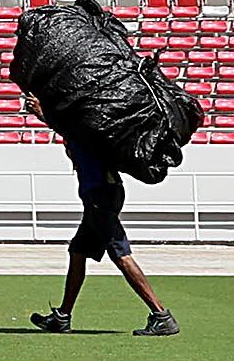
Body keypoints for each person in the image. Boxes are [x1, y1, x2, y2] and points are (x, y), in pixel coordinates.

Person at [31, 140, 178, 336]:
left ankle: (161, 316)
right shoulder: (87, 125)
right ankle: (62, 317)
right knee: (78, 250)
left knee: (120, 254)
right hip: (103, 192)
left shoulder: (81, 126)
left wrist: (41, 112)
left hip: (100, 195)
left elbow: (64, 125)